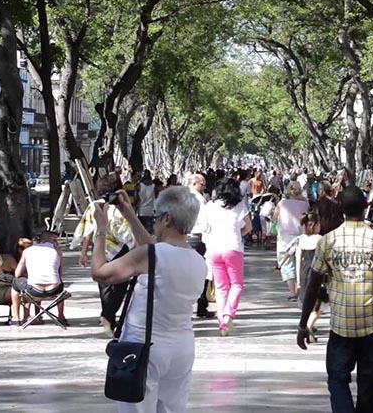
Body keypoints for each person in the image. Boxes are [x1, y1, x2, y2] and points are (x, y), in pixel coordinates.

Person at [91, 186, 207, 413]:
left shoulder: (152, 256)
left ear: (166, 219)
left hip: (143, 348)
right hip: (181, 348)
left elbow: (100, 272)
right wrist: (128, 213)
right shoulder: (197, 260)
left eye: (155, 217)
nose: (154, 223)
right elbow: (155, 250)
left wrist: (101, 229)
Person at [297, 185, 373, 412]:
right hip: (371, 327)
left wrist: (303, 324)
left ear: (341, 210)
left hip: (341, 327)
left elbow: (313, 286)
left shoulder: (327, 242)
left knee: (337, 379)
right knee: (367, 385)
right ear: (365, 209)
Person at [72, 173, 137, 336]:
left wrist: (84, 252)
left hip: (100, 249)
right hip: (121, 250)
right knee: (121, 284)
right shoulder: (122, 205)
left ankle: (108, 316)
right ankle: (108, 316)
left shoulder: (94, 206)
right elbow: (130, 227)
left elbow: (87, 231)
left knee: (104, 286)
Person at [202, 178, 252, 336]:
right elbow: (248, 227)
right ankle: (228, 316)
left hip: (214, 250)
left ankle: (221, 320)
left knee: (221, 287)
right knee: (236, 285)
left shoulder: (210, 206)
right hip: (233, 248)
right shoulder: (239, 206)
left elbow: (205, 227)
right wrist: (239, 233)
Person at [278, 212, 324, 339]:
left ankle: (309, 326)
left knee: (308, 303)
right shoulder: (320, 239)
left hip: (304, 273)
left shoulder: (300, 239)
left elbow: (297, 259)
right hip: (316, 273)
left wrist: (298, 280)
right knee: (319, 306)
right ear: (315, 225)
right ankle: (308, 327)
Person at [11, 231, 67, 326]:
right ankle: (61, 316)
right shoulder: (58, 251)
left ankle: (16, 318)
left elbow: (17, 274)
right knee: (59, 282)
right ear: (52, 241)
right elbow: (60, 273)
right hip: (54, 290)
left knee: (16, 283)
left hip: (34, 290)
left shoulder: (27, 251)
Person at [273, 181, 310, 302]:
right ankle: (300, 290)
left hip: (284, 238)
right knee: (301, 264)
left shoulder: (282, 203)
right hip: (302, 237)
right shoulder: (306, 204)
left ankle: (293, 292)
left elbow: (274, 218)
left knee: (287, 266)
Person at [188, 173, 215, 319]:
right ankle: (201, 306)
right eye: (202, 184)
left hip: (185, 237)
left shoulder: (182, 196)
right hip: (197, 238)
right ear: (194, 183)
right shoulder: (199, 199)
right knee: (201, 272)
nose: (204, 187)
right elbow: (205, 222)